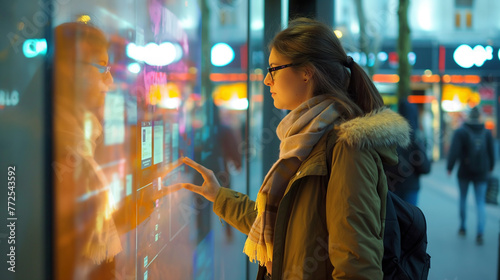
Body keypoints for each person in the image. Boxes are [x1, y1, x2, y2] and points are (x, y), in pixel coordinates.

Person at [172, 17, 410, 279]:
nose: (266, 80)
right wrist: (219, 196)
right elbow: (283, 227)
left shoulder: (347, 148)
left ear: (307, 72)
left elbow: (356, 265)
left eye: (274, 68)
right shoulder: (305, 139)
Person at [52, 21, 120, 279]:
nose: (110, 80)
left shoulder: (84, 138)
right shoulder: (56, 146)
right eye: (101, 66)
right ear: (70, 68)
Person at [447, 106, 495, 245]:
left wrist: (450, 167)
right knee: (480, 202)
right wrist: (491, 166)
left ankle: (462, 227)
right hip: (482, 172)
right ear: (479, 116)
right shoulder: (486, 132)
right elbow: (491, 152)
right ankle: (480, 232)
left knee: (463, 198)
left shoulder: (461, 131)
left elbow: (454, 151)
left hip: (464, 171)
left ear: (469, 116)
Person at [385, 100, 431, 206]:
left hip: (393, 186)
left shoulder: (390, 135)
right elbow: (425, 168)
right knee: (410, 220)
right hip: (411, 187)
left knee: (394, 220)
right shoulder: (416, 138)